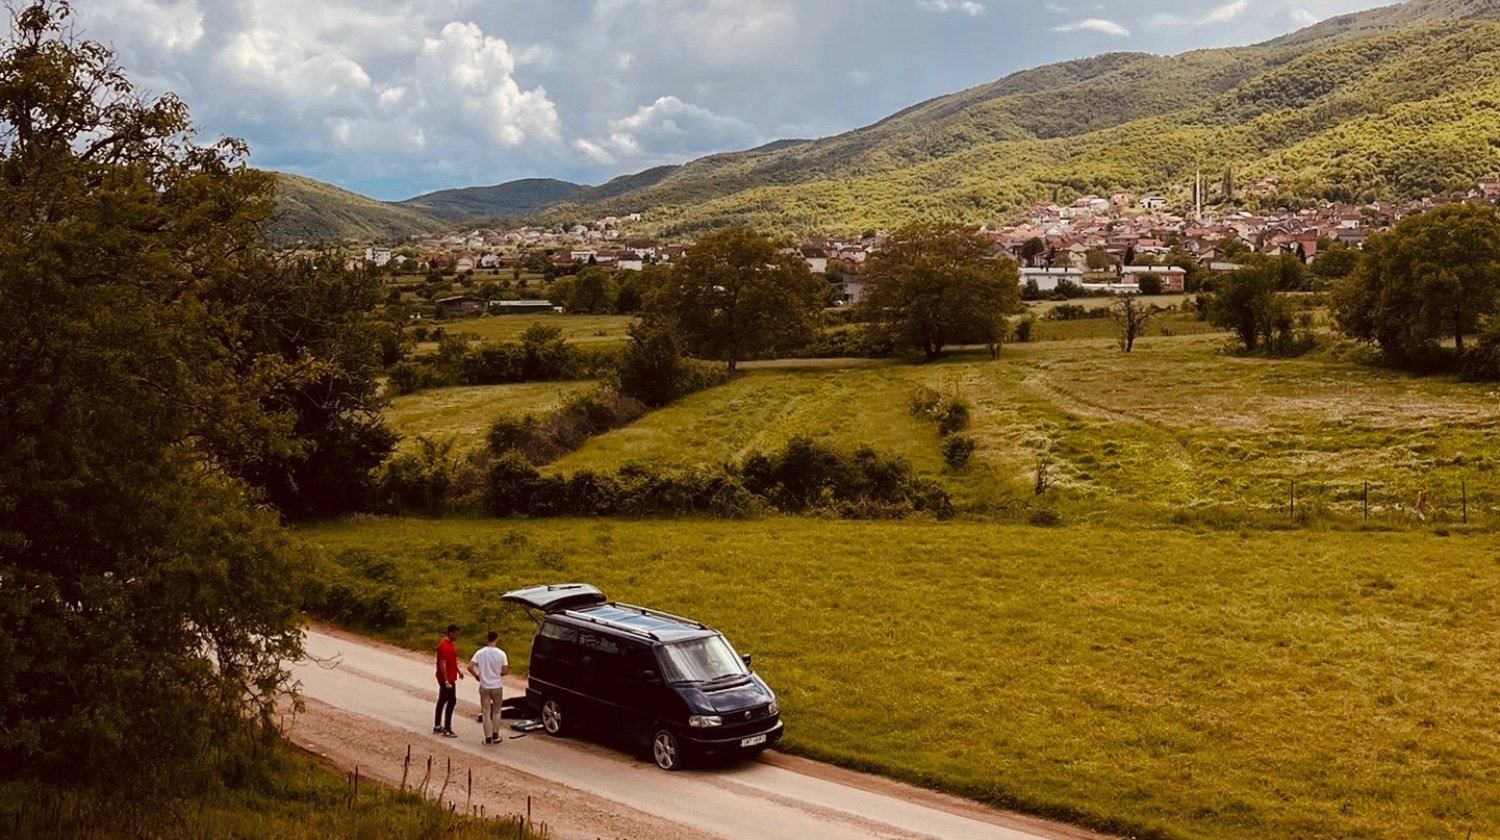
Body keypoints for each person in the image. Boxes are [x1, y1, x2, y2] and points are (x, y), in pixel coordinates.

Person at [467, 631, 510, 744]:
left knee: (486, 712)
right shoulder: (501, 654)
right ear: (496, 639)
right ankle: (496, 735)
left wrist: (477, 675)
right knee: (497, 711)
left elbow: (470, 666)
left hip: (484, 686)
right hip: (497, 686)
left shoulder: (480, 653)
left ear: (487, 639)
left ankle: (487, 737)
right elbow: (506, 670)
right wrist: (499, 674)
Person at [433, 624, 462, 737]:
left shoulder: (450, 644)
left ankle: (437, 725)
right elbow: (442, 664)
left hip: (449, 677)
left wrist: (458, 671)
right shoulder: (444, 646)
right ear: (450, 633)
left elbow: (452, 661)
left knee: (442, 700)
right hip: (447, 679)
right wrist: (446, 681)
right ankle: (447, 728)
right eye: (455, 634)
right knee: (451, 701)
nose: (456, 636)